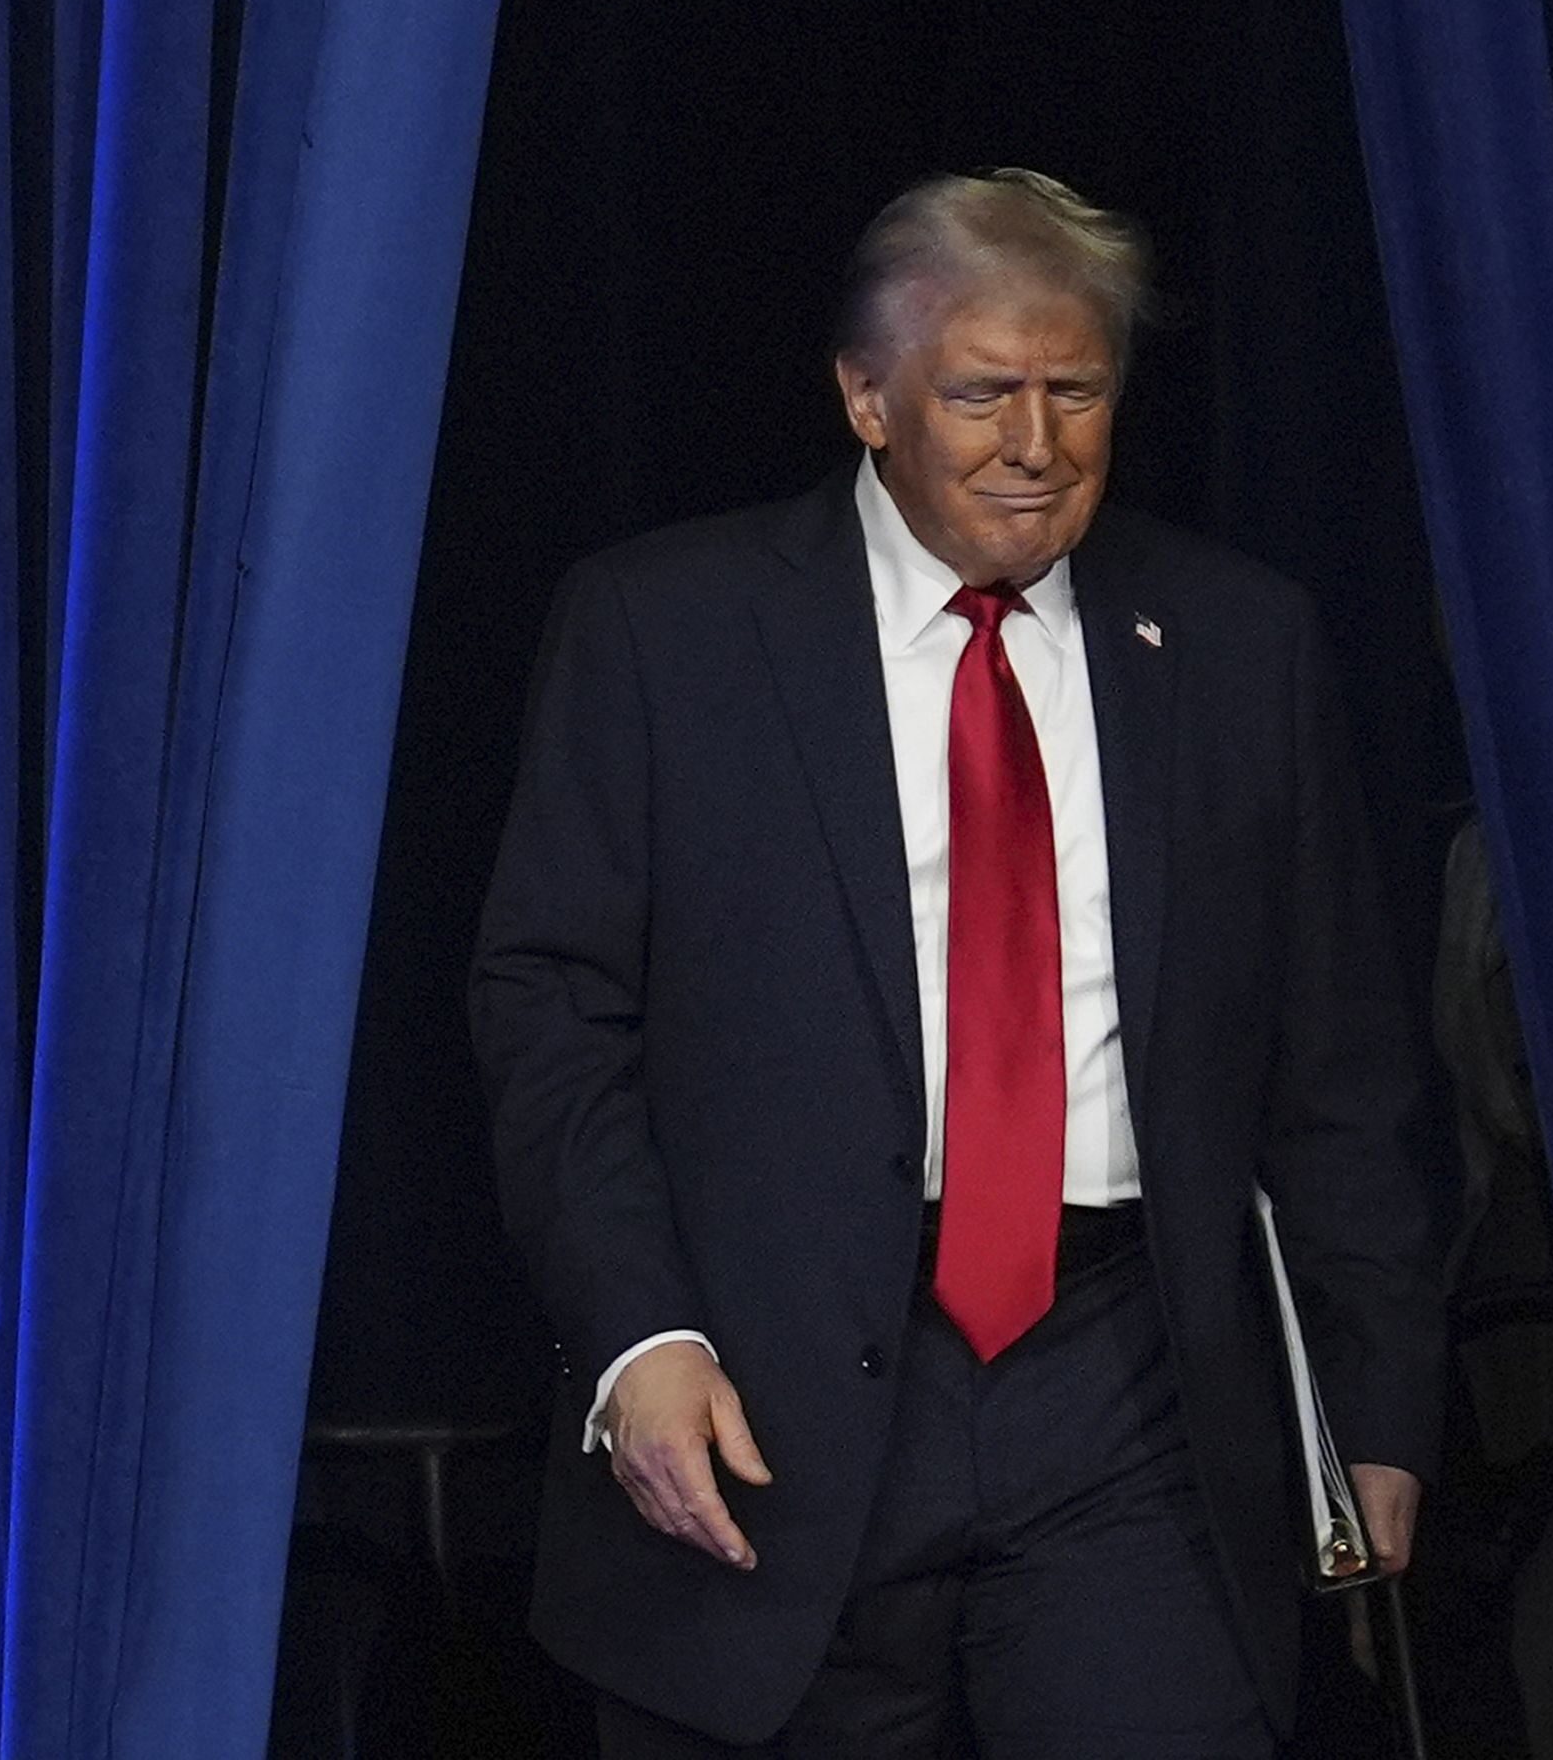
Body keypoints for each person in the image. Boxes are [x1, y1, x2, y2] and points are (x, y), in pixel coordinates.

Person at [471, 168, 1443, 1756]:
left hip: (1128, 1385)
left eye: (1076, 391)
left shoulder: (1233, 643)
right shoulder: (666, 631)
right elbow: (553, 1013)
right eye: (981, 392)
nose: (1035, 442)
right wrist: (637, 1336)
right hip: (768, 1392)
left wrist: (1375, 1399)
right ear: (866, 397)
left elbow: (1335, 1054)